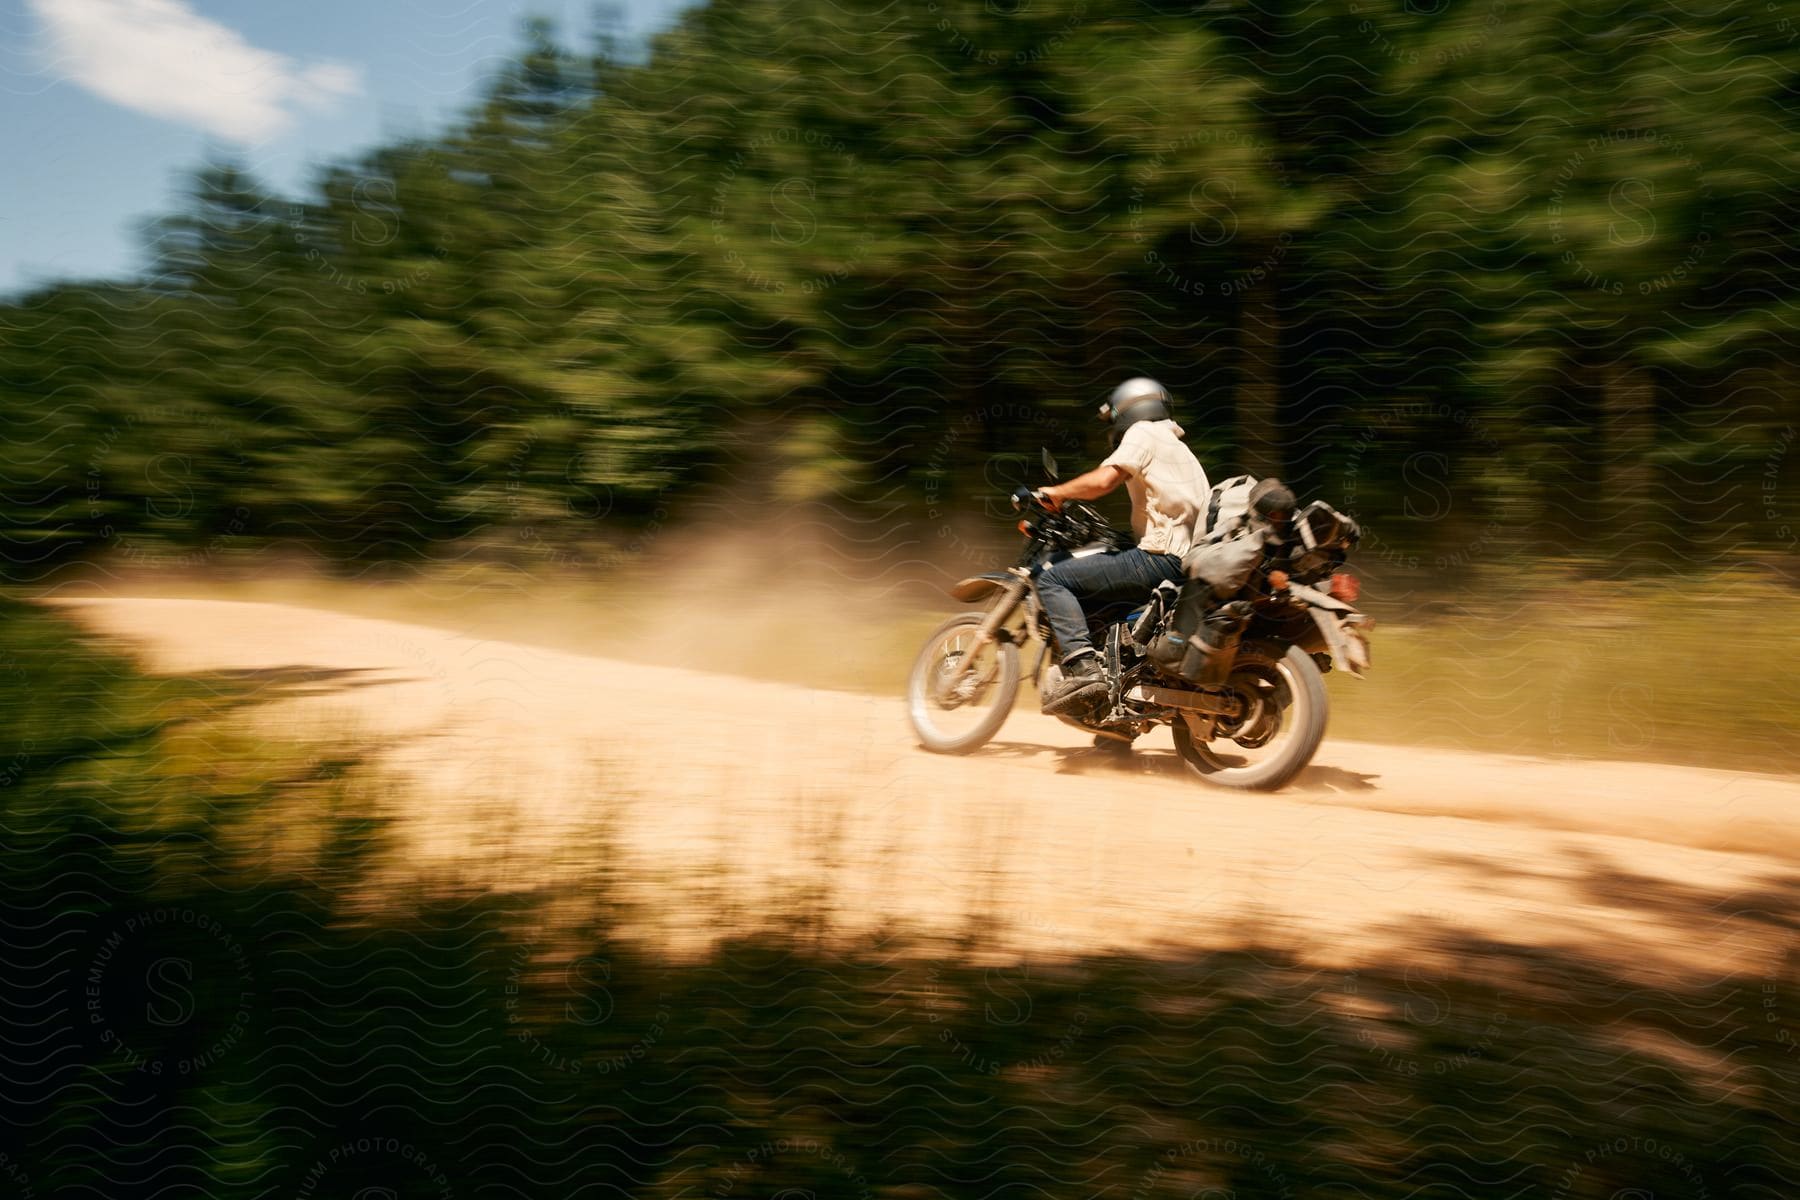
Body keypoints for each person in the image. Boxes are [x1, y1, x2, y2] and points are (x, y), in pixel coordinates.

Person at [1035, 377, 1210, 715]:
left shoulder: (1143, 432)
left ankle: (1082, 670)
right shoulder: (1178, 447)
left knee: (1053, 578)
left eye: (1115, 418)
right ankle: (1115, 719)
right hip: (1189, 561)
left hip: (1162, 556)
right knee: (1114, 614)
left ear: (1127, 409)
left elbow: (1104, 481)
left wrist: (1055, 492)